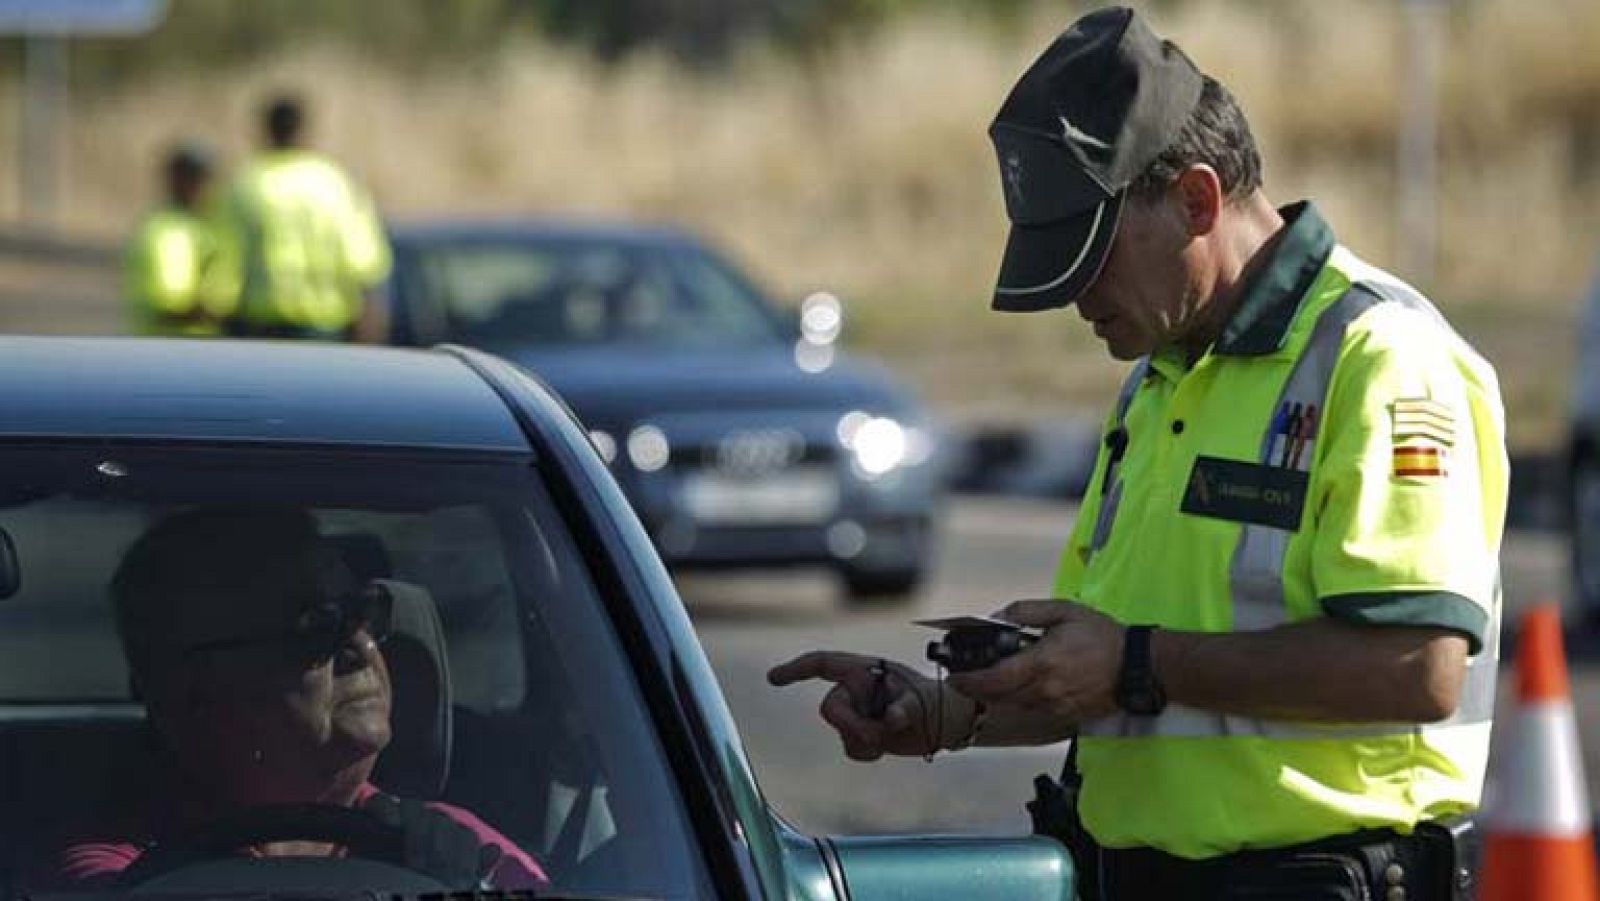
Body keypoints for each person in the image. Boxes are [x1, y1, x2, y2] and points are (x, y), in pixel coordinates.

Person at [769, 7, 1507, 900]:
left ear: (1197, 199)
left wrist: (1136, 662)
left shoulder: (1380, 358)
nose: (1075, 294)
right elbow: (1109, 670)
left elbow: (1418, 666)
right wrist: (941, 711)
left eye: (1093, 253)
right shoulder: (1160, 375)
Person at [52, 506, 544, 890]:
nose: (361, 646)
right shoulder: (121, 877)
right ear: (191, 689)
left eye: (365, 612)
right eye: (316, 626)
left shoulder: (457, 847)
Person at [216, 93, 391, 342]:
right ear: (304, 130)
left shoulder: (245, 185)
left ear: (265, 131)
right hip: (324, 327)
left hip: (259, 327)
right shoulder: (333, 183)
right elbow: (364, 262)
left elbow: (223, 265)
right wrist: (369, 325)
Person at [122, 142, 234, 337]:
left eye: (202, 178)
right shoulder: (165, 229)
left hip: (200, 344)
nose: (199, 186)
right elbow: (169, 305)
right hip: (168, 345)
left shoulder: (209, 224)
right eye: (191, 177)